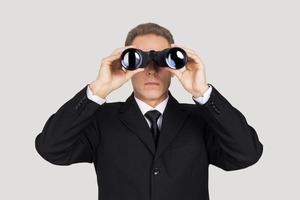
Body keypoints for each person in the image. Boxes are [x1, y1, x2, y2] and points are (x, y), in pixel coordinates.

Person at [35, 22, 263, 200]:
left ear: (175, 67)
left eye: (163, 60)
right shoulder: (101, 120)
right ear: (125, 64)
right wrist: (98, 89)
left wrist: (202, 91)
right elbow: (51, 148)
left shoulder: (201, 119)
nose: (151, 70)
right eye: (139, 60)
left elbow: (247, 154)